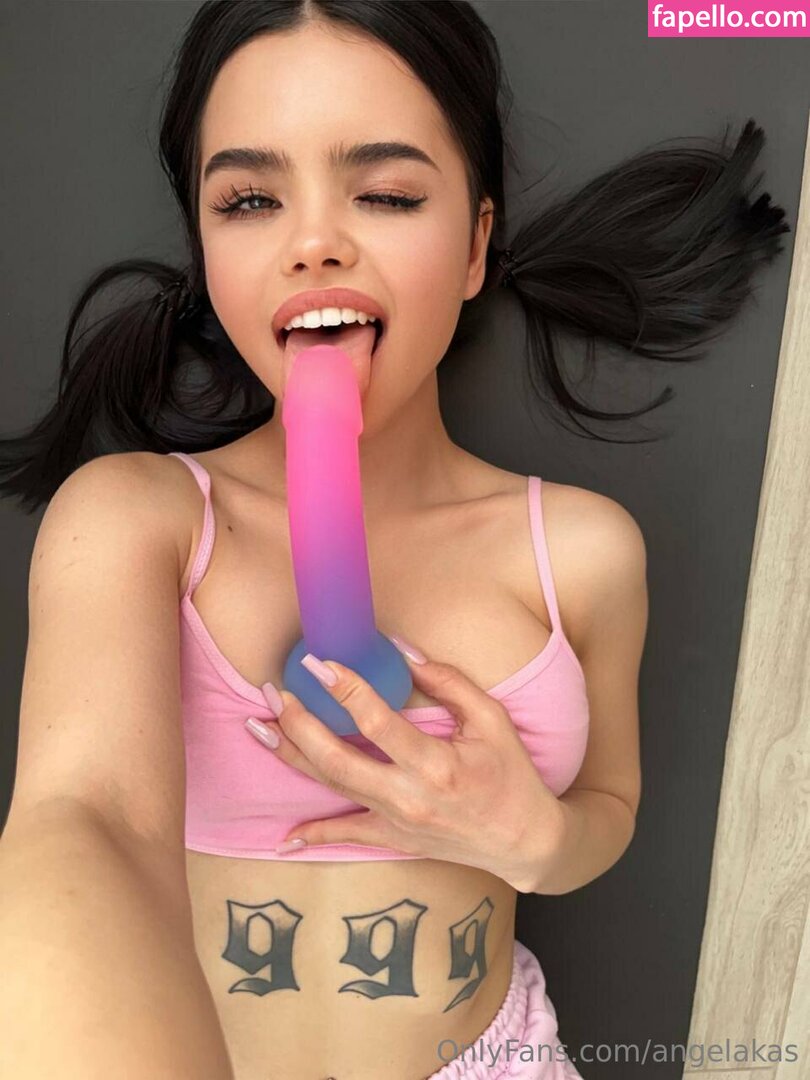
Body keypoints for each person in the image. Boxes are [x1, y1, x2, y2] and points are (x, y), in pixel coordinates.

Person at [0, 2, 789, 1079]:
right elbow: (86, 820)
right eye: (249, 200)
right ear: (207, 252)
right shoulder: (137, 520)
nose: (314, 242)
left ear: (474, 246)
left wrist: (536, 840)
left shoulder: (582, 551)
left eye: (385, 193)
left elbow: (606, 812)